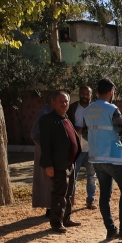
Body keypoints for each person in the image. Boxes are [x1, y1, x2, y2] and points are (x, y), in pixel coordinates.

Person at [84, 79, 122, 240]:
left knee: (104, 194)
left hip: (96, 158)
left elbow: (84, 132)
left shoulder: (87, 110)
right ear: (111, 92)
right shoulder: (112, 109)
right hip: (114, 157)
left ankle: (110, 229)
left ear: (96, 92)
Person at [39, 91, 82, 234]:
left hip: (70, 163)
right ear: (53, 102)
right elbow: (45, 145)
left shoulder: (66, 119)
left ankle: (66, 218)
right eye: (61, 101)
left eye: (66, 101)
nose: (64, 104)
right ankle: (56, 222)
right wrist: (48, 164)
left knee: (69, 192)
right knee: (59, 193)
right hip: (57, 164)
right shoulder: (47, 120)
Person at [67, 86, 97, 209]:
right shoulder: (72, 108)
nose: (85, 96)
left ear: (91, 95)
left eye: (87, 94)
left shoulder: (95, 109)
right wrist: (76, 130)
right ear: (79, 94)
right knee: (73, 176)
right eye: (83, 93)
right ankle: (69, 201)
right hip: (76, 149)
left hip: (91, 148)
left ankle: (91, 200)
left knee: (91, 176)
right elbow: (67, 124)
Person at [30, 93, 54, 216]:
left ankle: (54, 207)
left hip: (54, 153)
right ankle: (50, 208)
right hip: (46, 153)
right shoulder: (44, 113)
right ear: (52, 100)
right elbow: (35, 134)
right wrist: (47, 146)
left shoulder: (55, 113)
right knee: (47, 180)